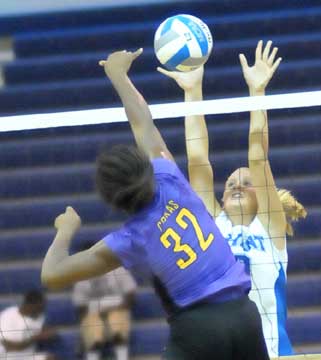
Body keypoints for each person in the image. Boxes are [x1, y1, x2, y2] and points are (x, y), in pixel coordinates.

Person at [41, 48, 270, 360]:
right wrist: (119, 76)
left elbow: (51, 276)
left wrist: (65, 230)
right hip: (245, 317)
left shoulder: (129, 240)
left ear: (111, 199)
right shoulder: (168, 177)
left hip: (198, 330)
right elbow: (142, 122)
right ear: (143, 167)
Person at [157, 40, 307, 357]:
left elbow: (257, 155)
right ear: (221, 199)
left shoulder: (270, 229)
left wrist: (257, 91)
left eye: (246, 182)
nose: (236, 185)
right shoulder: (213, 225)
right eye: (230, 183)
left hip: (272, 352)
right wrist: (192, 91)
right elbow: (197, 158)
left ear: (263, 197)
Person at [72, 242, 137, 360]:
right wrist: (99, 308)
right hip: (93, 313)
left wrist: (112, 306)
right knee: (92, 326)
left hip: (118, 309)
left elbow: (130, 295)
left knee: (117, 320)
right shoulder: (80, 276)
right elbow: (80, 306)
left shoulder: (116, 269)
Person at [0, 290, 57, 360]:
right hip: (7, 356)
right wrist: (36, 337)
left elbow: (50, 332)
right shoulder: (9, 315)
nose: (42, 310)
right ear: (30, 305)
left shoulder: (40, 318)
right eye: (40, 307)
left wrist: (50, 333)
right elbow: (9, 346)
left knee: (50, 358)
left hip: (27, 356)